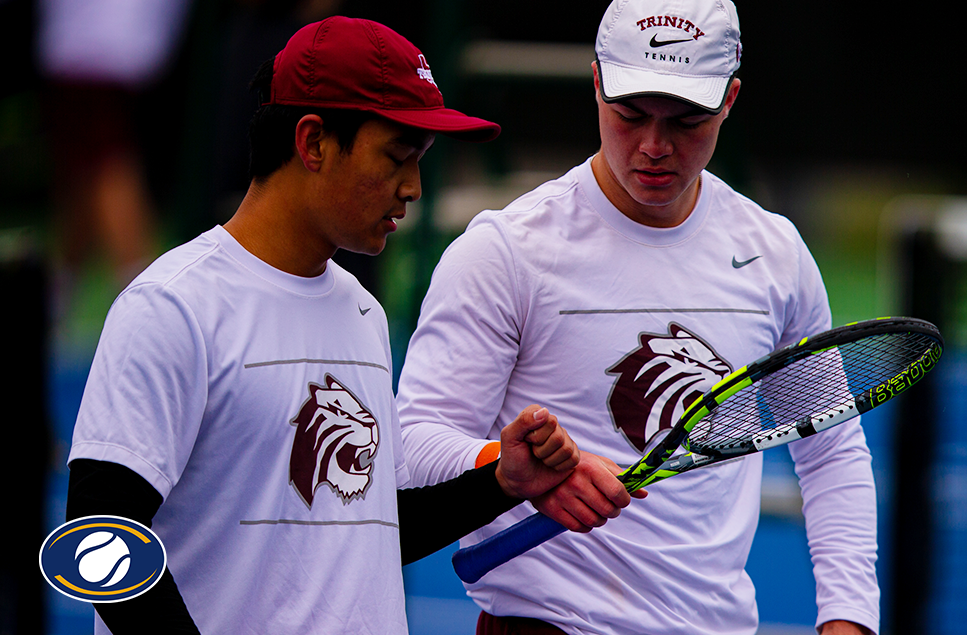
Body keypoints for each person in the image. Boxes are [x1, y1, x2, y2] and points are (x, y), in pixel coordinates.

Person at [66, 16, 631, 635]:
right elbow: (97, 541)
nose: (414, 186)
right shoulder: (175, 307)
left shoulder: (361, 313)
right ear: (312, 143)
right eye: (398, 156)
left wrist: (501, 483)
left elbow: (368, 527)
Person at [394, 1, 880, 634]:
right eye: (629, 115)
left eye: (686, 120)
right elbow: (412, 446)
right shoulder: (505, 251)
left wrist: (849, 616)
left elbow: (830, 449)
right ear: (596, 84)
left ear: (730, 99)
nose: (654, 146)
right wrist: (506, 465)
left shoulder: (775, 255)